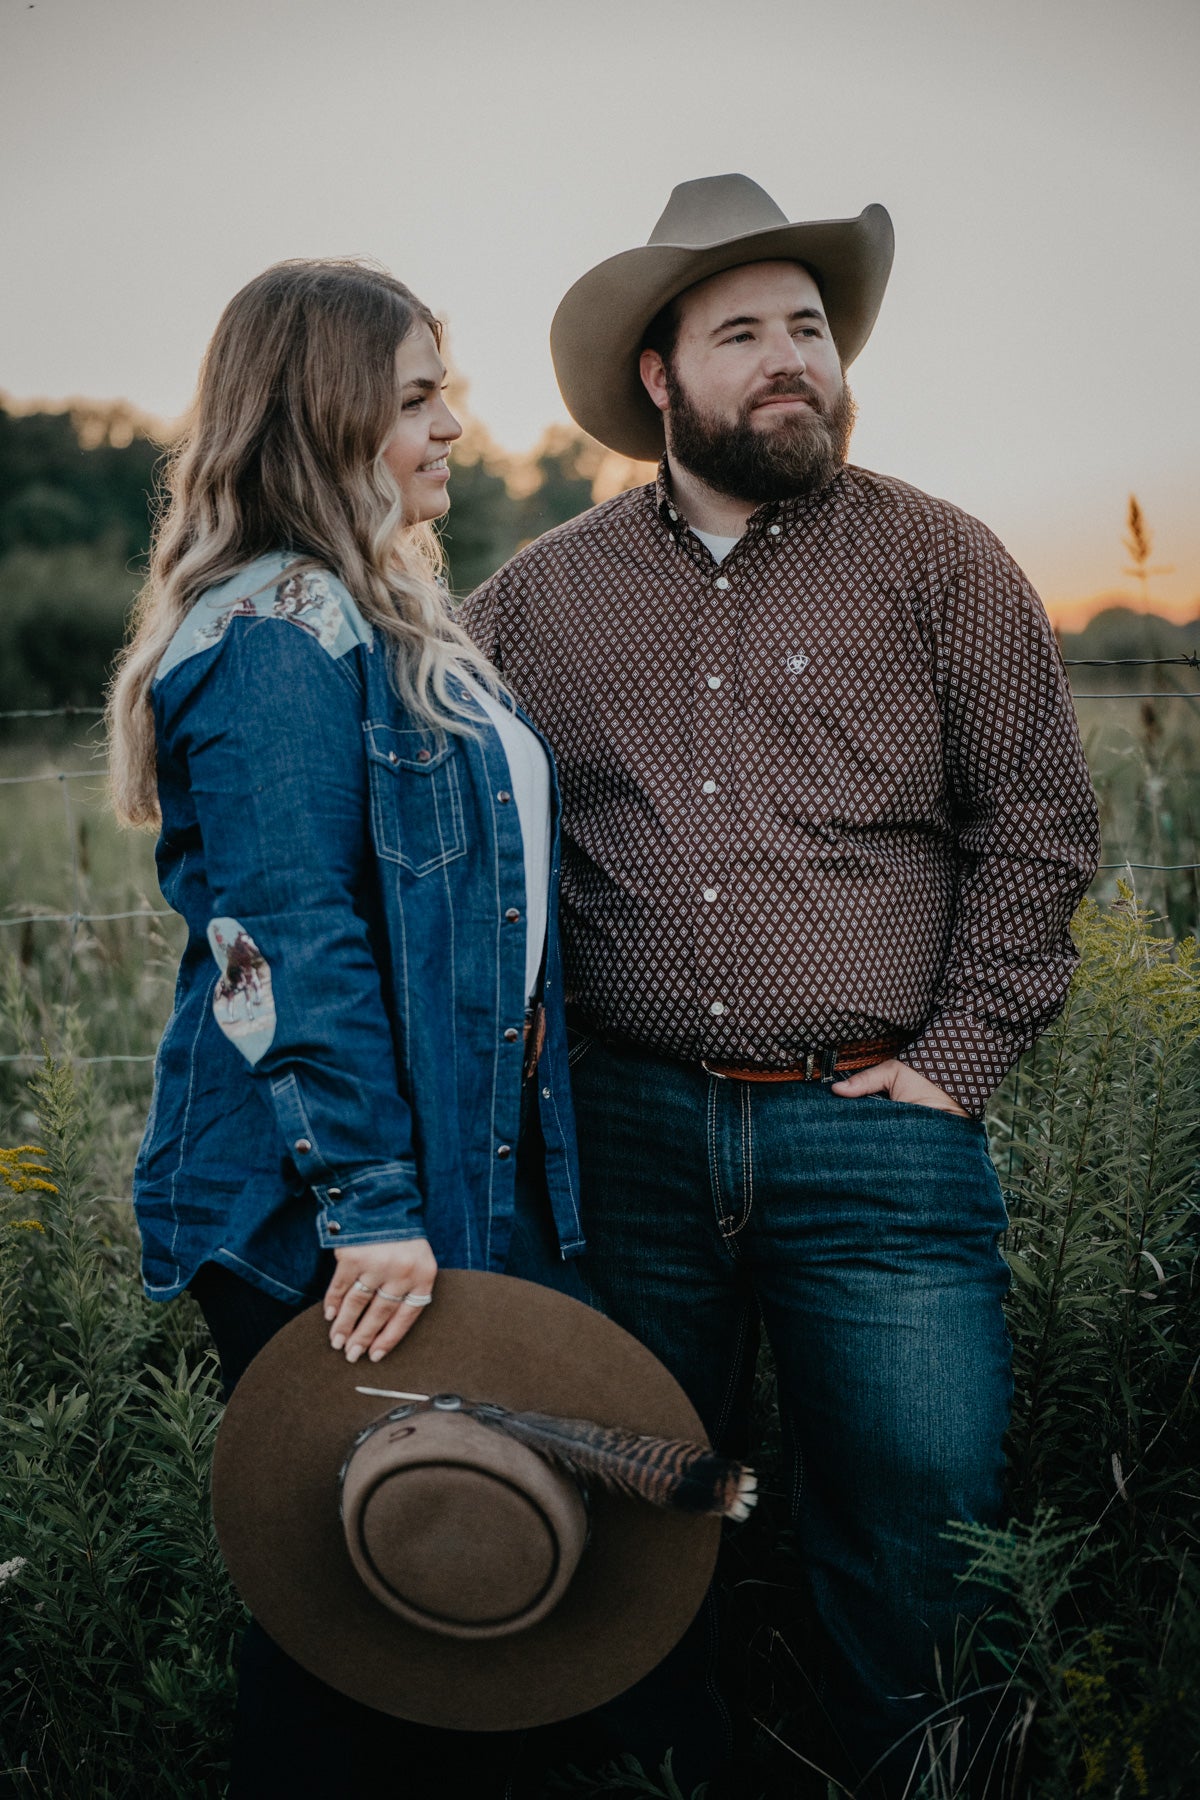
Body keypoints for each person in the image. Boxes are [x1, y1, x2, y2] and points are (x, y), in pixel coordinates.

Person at [461, 175, 1102, 1796]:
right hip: (628, 1142)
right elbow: (439, 821)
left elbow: (1038, 826)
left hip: (881, 1139)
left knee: (920, 1553)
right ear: (660, 378)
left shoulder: (943, 564)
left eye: (807, 326)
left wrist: (957, 1061)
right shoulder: (537, 601)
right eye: (741, 331)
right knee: (628, 1536)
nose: (788, 357)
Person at [106, 258, 588, 1797]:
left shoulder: (377, 610)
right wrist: (370, 1206)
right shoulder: (277, 629)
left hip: (430, 1177)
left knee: (432, 1586)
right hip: (327, 1201)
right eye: (419, 397)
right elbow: (280, 942)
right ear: (327, 415)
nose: (455, 426)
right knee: (358, 1615)